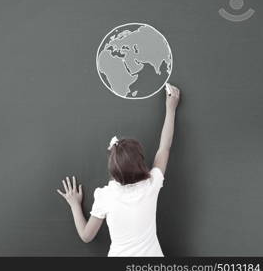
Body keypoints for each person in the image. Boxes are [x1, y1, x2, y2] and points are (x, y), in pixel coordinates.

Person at [57, 84, 180, 256]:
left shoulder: (105, 196)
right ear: (141, 163)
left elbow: (86, 236)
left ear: (113, 170)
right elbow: (164, 148)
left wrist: (75, 204)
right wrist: (171, 109)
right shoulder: (151, 184)